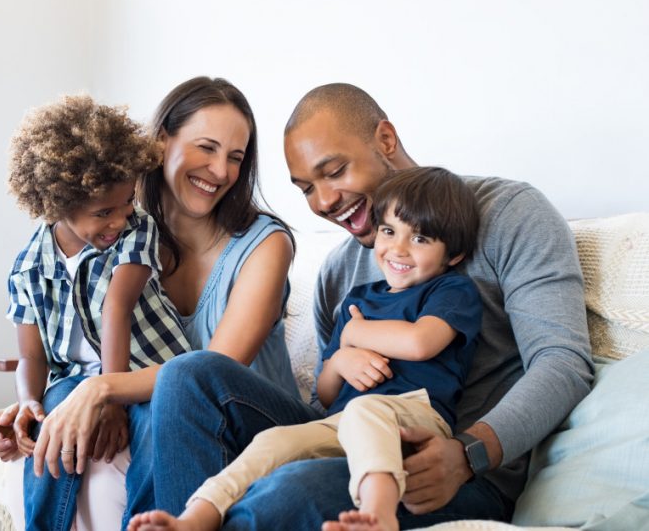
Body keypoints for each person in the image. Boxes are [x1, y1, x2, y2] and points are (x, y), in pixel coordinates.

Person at [147, 83, 594, 530]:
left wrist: (468, 453)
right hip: (350, 434)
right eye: (306, 189)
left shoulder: (509, 214)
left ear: (385, 140)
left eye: (335, 171)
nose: (323, 203)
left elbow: (562, 362)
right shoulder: (339, 271)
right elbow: (329, 399)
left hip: (449, 466)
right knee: (188, 375)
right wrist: (342, 359)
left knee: (287, 491)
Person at [0, 77, 301, 529]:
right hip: (167, 407)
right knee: (66, 406)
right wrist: (34, 410)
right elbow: (75, 341)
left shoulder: (265, 245)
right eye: (206, 148)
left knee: (180, 386)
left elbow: (212, 372)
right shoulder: (117, 235)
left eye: (235, 157)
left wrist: (102, 389)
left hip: (251, 419)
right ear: (161, 141)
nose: (221, 171)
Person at [129, 166, 482, 531]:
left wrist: (355, 334)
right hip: (341, 422)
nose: (398, 249)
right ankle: (196, 516)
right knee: (274, 441)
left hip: (415, 417)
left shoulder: (450, 291)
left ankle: (379, 515)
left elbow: (420, 342)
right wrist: (342, 355)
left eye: (421, 239)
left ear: (453, 255)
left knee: (366, 410)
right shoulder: (358, 299)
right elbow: (327, 393)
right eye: (389, 231)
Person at [3, 94, 194, 527]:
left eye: (127, 201)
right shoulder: (29, 268)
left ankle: (149, 522)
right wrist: (27, 402)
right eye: (103, 212)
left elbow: (117, 308)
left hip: (147, 371)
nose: (120, 218)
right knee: (50, 422)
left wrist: (110, 399)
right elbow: (31, 356)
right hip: (74, 381)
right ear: (57, 204)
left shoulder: (136, 229)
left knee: (154, 426)